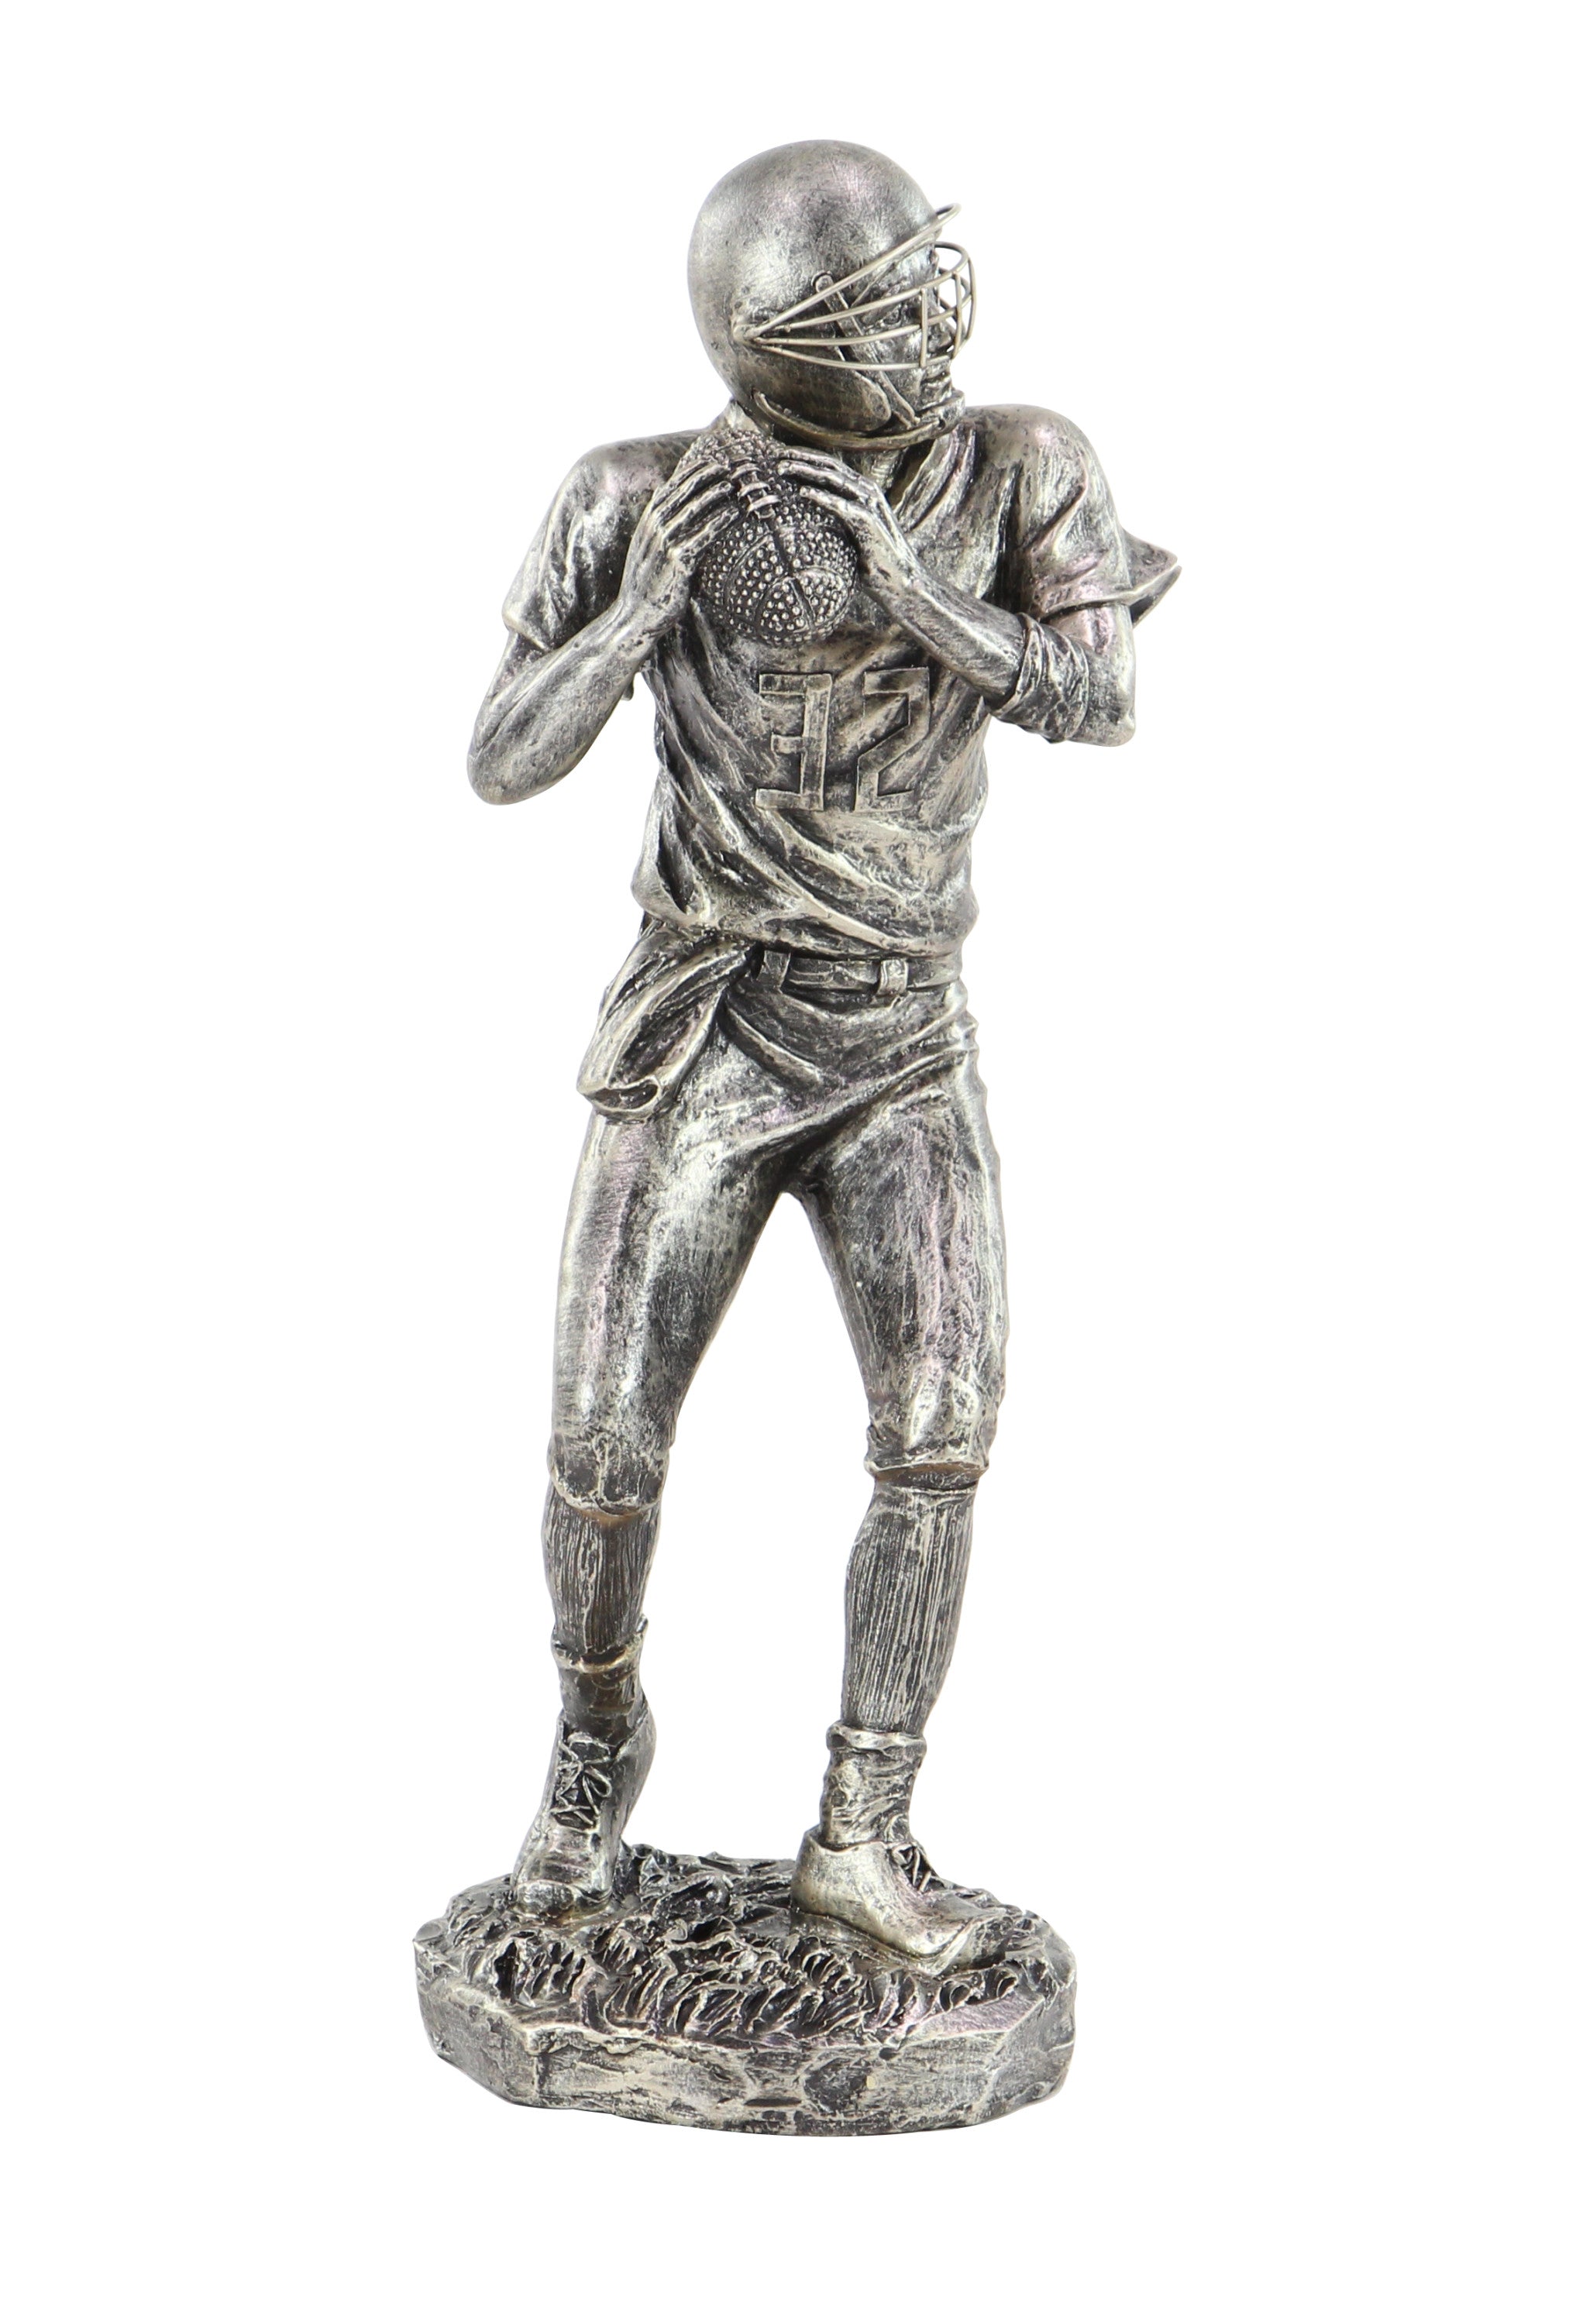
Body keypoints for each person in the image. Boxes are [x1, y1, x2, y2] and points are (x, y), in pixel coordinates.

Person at [468, 139, 1175, 1965]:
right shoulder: (637, 491)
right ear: (772, 342)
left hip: (901, 1035)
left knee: (939, 1436)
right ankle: (592, 1745)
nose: (932, 327)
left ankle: (865, 1825)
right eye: (879, 309)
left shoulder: (1021, 462)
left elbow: (1100, 695)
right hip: (705, 1020)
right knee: (602, 1441)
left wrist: (908, 587)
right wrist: (641, 616)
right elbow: (503, 753)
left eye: (928, 284)